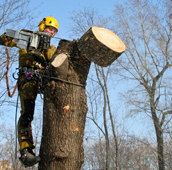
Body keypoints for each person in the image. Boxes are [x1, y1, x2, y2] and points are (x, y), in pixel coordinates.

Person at [0, 16, 58, 167]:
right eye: (49, 29)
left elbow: (54, 62)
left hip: (45, 79)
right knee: (27, 113)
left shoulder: (51, 48)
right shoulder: (27, 40)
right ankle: (26, 152)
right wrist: (11, 35)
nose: (51, 32)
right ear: (42, 27)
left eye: (54, 31)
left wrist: (43, 52)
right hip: (28, 78)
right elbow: (4, 40)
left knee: (57, 107)